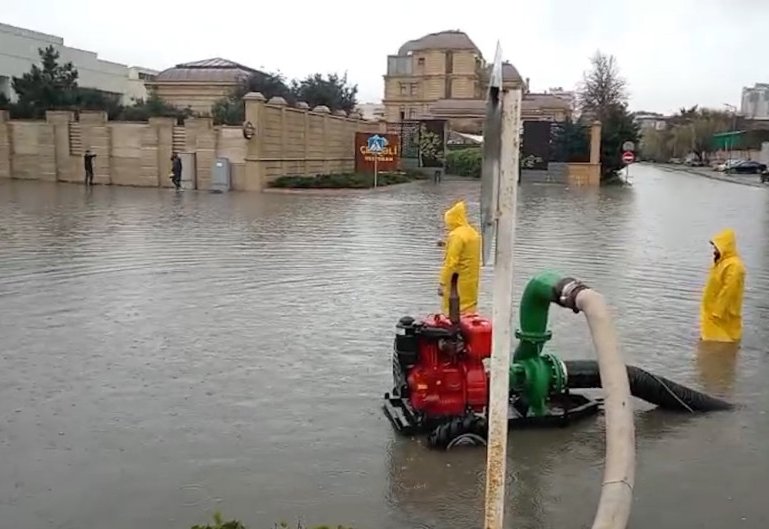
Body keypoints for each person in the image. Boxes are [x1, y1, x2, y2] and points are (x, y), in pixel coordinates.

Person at [700, 228, 746, 343]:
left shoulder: (734, 266)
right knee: (711, 345)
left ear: (725, 246)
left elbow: (729, 290)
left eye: (716, 247)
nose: (714, 250)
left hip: (722, 315)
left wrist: (718, 311)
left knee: (724, 340)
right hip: (713, 312)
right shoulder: (722, 262)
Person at [438, 200, 481, 315]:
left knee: (453, 312)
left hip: (456, 283)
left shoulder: (456, 235)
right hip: (472, 281)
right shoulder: (472, 232)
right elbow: (466, 251)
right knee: (469, 311)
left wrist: (442, 283)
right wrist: (446, 244)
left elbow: (451, 262)